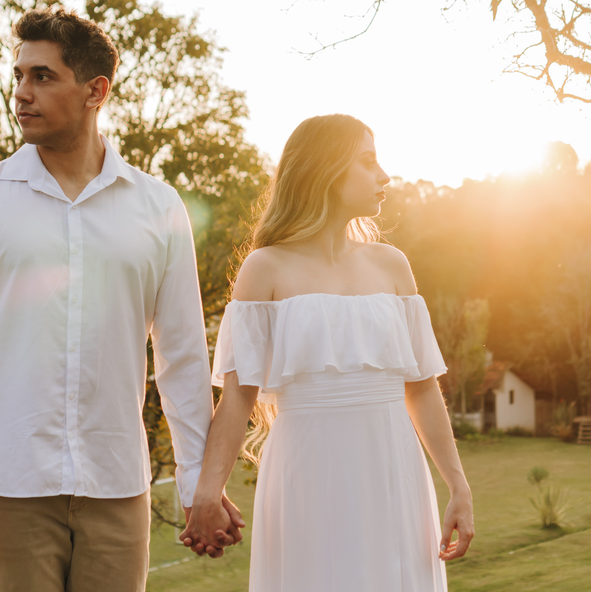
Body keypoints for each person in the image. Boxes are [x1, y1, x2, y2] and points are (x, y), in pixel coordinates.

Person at [0, 7, 242, 592]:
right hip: (7, 482)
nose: (21, 93)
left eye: (42, 77)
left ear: (95, 91)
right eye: (19, 75)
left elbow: (183, 355)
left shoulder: (159, 207)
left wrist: (196, 482)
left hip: (117, 484)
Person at [180, 113, 474, 591]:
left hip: (393, 468)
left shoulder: (392, 265)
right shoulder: (265, 268)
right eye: (368, 162)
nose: (384, 176)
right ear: (326, 170)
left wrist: (458, 486)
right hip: (307, 472)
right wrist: (207, 491)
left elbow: (421, 388)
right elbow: (238, 395)